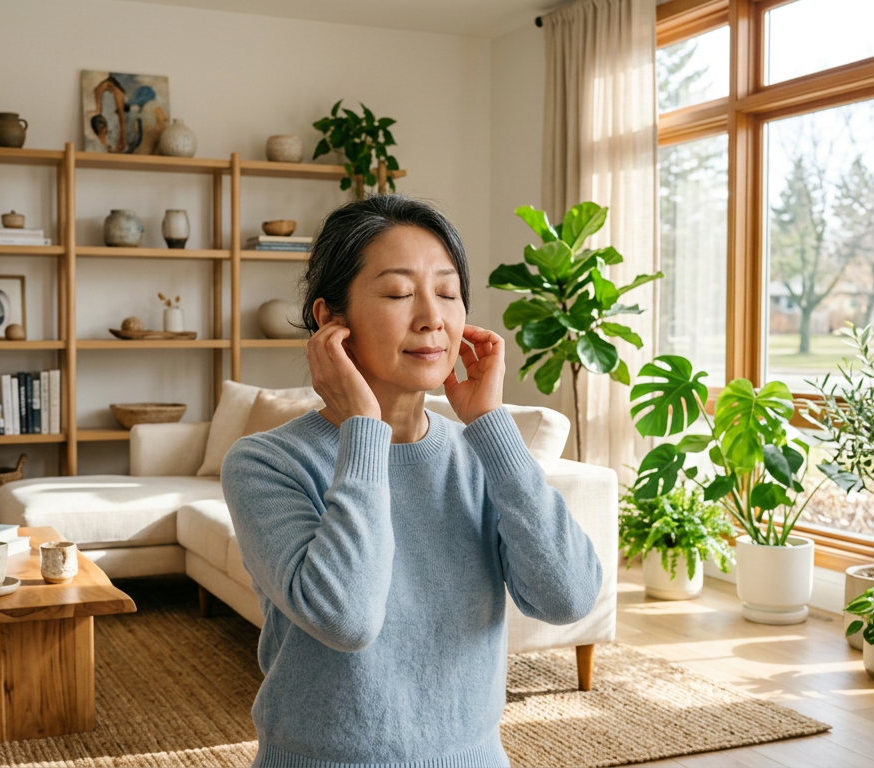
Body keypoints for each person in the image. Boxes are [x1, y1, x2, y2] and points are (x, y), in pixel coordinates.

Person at [221, 195, 602, 767]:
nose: (433, 318)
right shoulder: (264, 463)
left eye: (448, 293)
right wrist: (363, 430)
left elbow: (568, 597)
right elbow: (346, 618)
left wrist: (492, 427)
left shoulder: (481, 454)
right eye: (400, 293)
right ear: (330, 321)